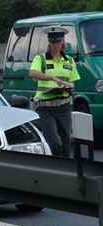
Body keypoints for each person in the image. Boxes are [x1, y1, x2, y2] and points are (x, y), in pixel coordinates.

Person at [29, 26, 80, 157]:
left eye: (58, 41)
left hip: (63, 107)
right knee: (54, 141)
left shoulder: (69, 60)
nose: (55, 45)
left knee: (67, 142)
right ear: (49, 43)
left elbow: (72, 81)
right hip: (45, 107)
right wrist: (51, 77)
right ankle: (56, 167)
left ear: (63, 41)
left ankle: (67, 170)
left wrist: (68, 88)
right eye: (53, 42)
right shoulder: (41, 59)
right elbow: (32, 73)